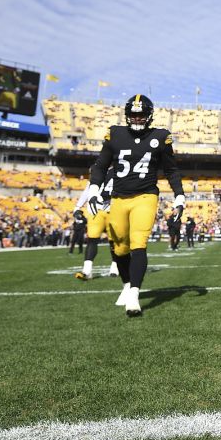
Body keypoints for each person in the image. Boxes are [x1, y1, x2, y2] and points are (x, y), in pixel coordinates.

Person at [79, 94, 186, 317]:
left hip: (145, 196)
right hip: (118, 197)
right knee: (119, 248)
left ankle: (134, 296)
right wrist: (94, 191)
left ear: (149, 115)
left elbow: (171, 170)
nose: (137, 119)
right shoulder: (115, 134)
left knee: (139, 242)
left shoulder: (161, 137)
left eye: (141, 114)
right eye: (134, 114)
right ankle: (127, 284)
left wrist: (179, 197)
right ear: (127, 115)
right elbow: (100, 166)